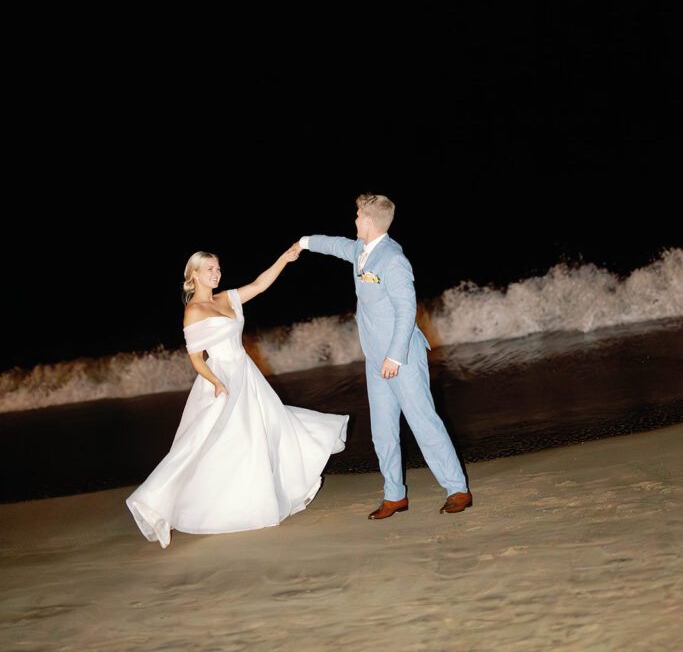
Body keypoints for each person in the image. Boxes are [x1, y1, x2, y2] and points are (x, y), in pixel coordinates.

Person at [126, 247, 348, 547]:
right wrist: (216, 381)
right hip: (220, 380)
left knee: (266, 429)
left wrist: (283, 259)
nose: (216, 274)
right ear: (194, 274)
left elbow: (258, 285)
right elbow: (196, 358)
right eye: (209, 270)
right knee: (205, 444)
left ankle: (259, 496)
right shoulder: (193, 310)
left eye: (217, 268)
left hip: (245, 373)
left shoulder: (226, 297)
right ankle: (158, 501)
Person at [297, 194, 471, 519]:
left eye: (358, 214)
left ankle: (457, 489)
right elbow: (336, 245)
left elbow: (408, 310)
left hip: (400, 356)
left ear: (369, 221)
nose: (354, 219)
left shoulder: (392, 259)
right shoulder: (361, 252)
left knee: (423, 422)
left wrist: (394, 355)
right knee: (382, 430)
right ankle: (394, 495)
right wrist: (304, 243)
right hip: (375, 359)